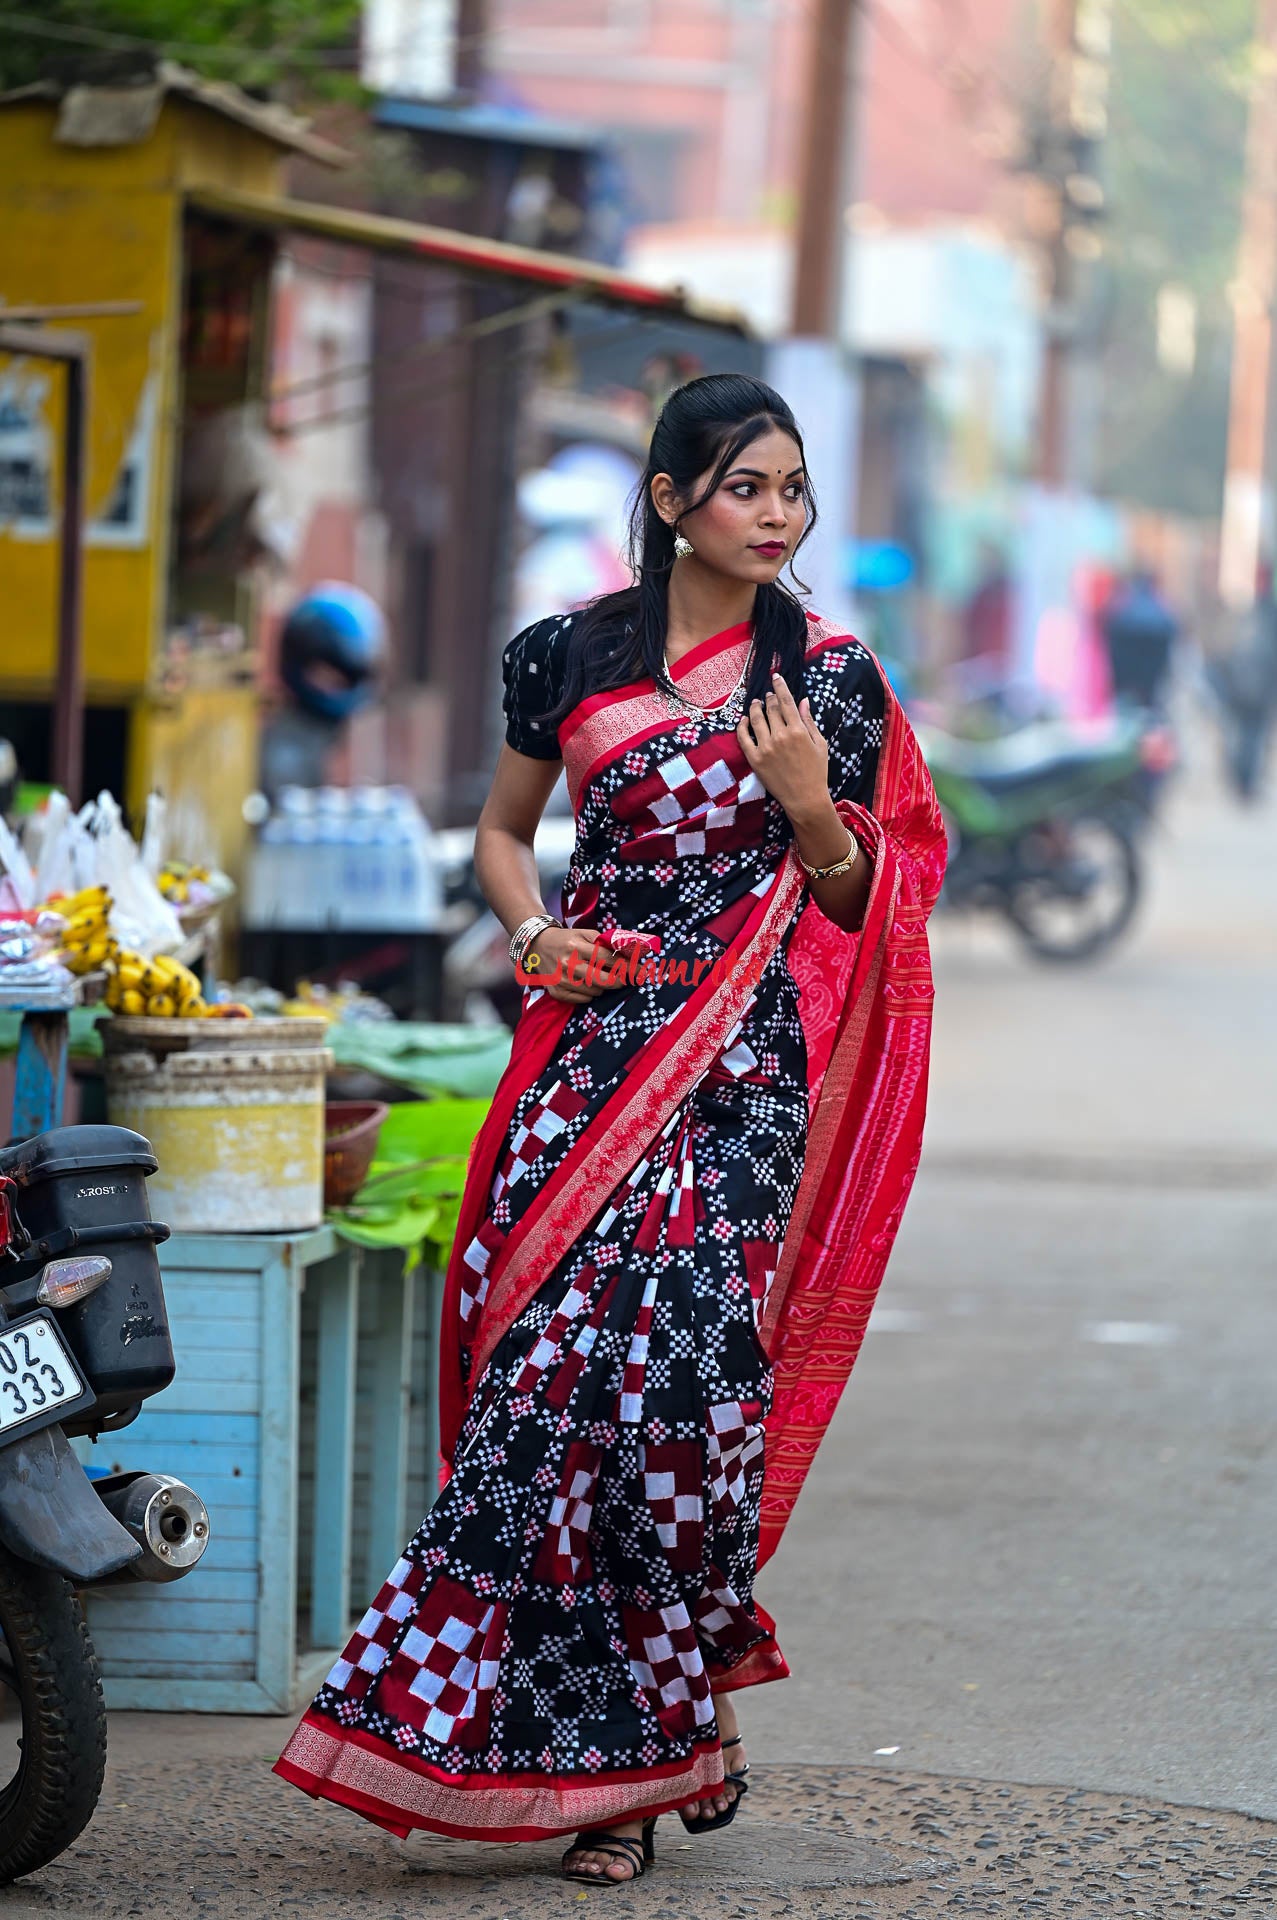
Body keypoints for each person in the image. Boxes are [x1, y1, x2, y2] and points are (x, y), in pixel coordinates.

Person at [273, 374, 947, 1883]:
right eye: (748, 487)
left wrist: (812, 807)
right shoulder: (564, 656)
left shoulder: (826, 679)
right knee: (540, 1412)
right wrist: (531, 934)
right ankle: (576, 1763)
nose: (779, 516)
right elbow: (507, 839)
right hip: (583, 1065)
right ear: (667, 501)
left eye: (792, 490)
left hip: (738, 1085)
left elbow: (868, 905)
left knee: (674, 1422)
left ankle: (651, 1747)